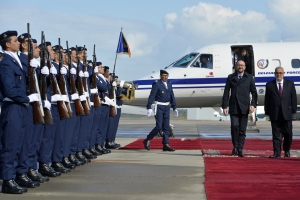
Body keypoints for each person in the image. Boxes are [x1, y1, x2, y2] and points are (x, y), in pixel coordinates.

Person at [0, 30, 40, 194]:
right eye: (15, 41)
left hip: (20, 107)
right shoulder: (6, 63)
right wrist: (27, 98)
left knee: (20, 142)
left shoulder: (15, 60)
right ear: (8, 44)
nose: (19, 43)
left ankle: (16, 175)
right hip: (13, 107)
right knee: (11, 144)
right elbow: (10, 89)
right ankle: (8, 180)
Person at [222, 60, 257, 157]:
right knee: (234, 127)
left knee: (242, 129)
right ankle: (235, 146)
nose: (240, 67)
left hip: (244, 107)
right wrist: (225, 106)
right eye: (239, 65)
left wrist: (253, 105)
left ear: (245, 67)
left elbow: (254, 93)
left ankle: (240, 148)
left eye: (242, 65)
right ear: (236, 67)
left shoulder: (249, 78)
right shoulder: (231, 77)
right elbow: (226, 92)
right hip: (233, 106)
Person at [264, 66, 297, 158]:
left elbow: (293, 98)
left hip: (287, 113)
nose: (278, 74)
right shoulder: (269, 85)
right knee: (276, 135)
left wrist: (294, 110)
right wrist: (267, 111)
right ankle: (277, 152)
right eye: (277, 73)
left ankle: (287, 150)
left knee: (288, 134)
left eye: (280, 73)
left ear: (283, 73)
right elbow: (267, 99)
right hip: (275, 113)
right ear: (275, 74)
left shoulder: (290, 84)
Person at [143, 69, 178, 151]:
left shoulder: (169, 84)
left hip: (167, 107)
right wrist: (149, 107)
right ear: (160, 76)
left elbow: (172, 96)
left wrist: (175, 107)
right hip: (159, 106)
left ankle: (165, 144)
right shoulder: (157, 84)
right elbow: (152, 96)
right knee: (159, 126)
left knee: (166, 127)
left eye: (166, 76)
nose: (165, 77)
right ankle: (147, 139)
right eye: (164, 75)